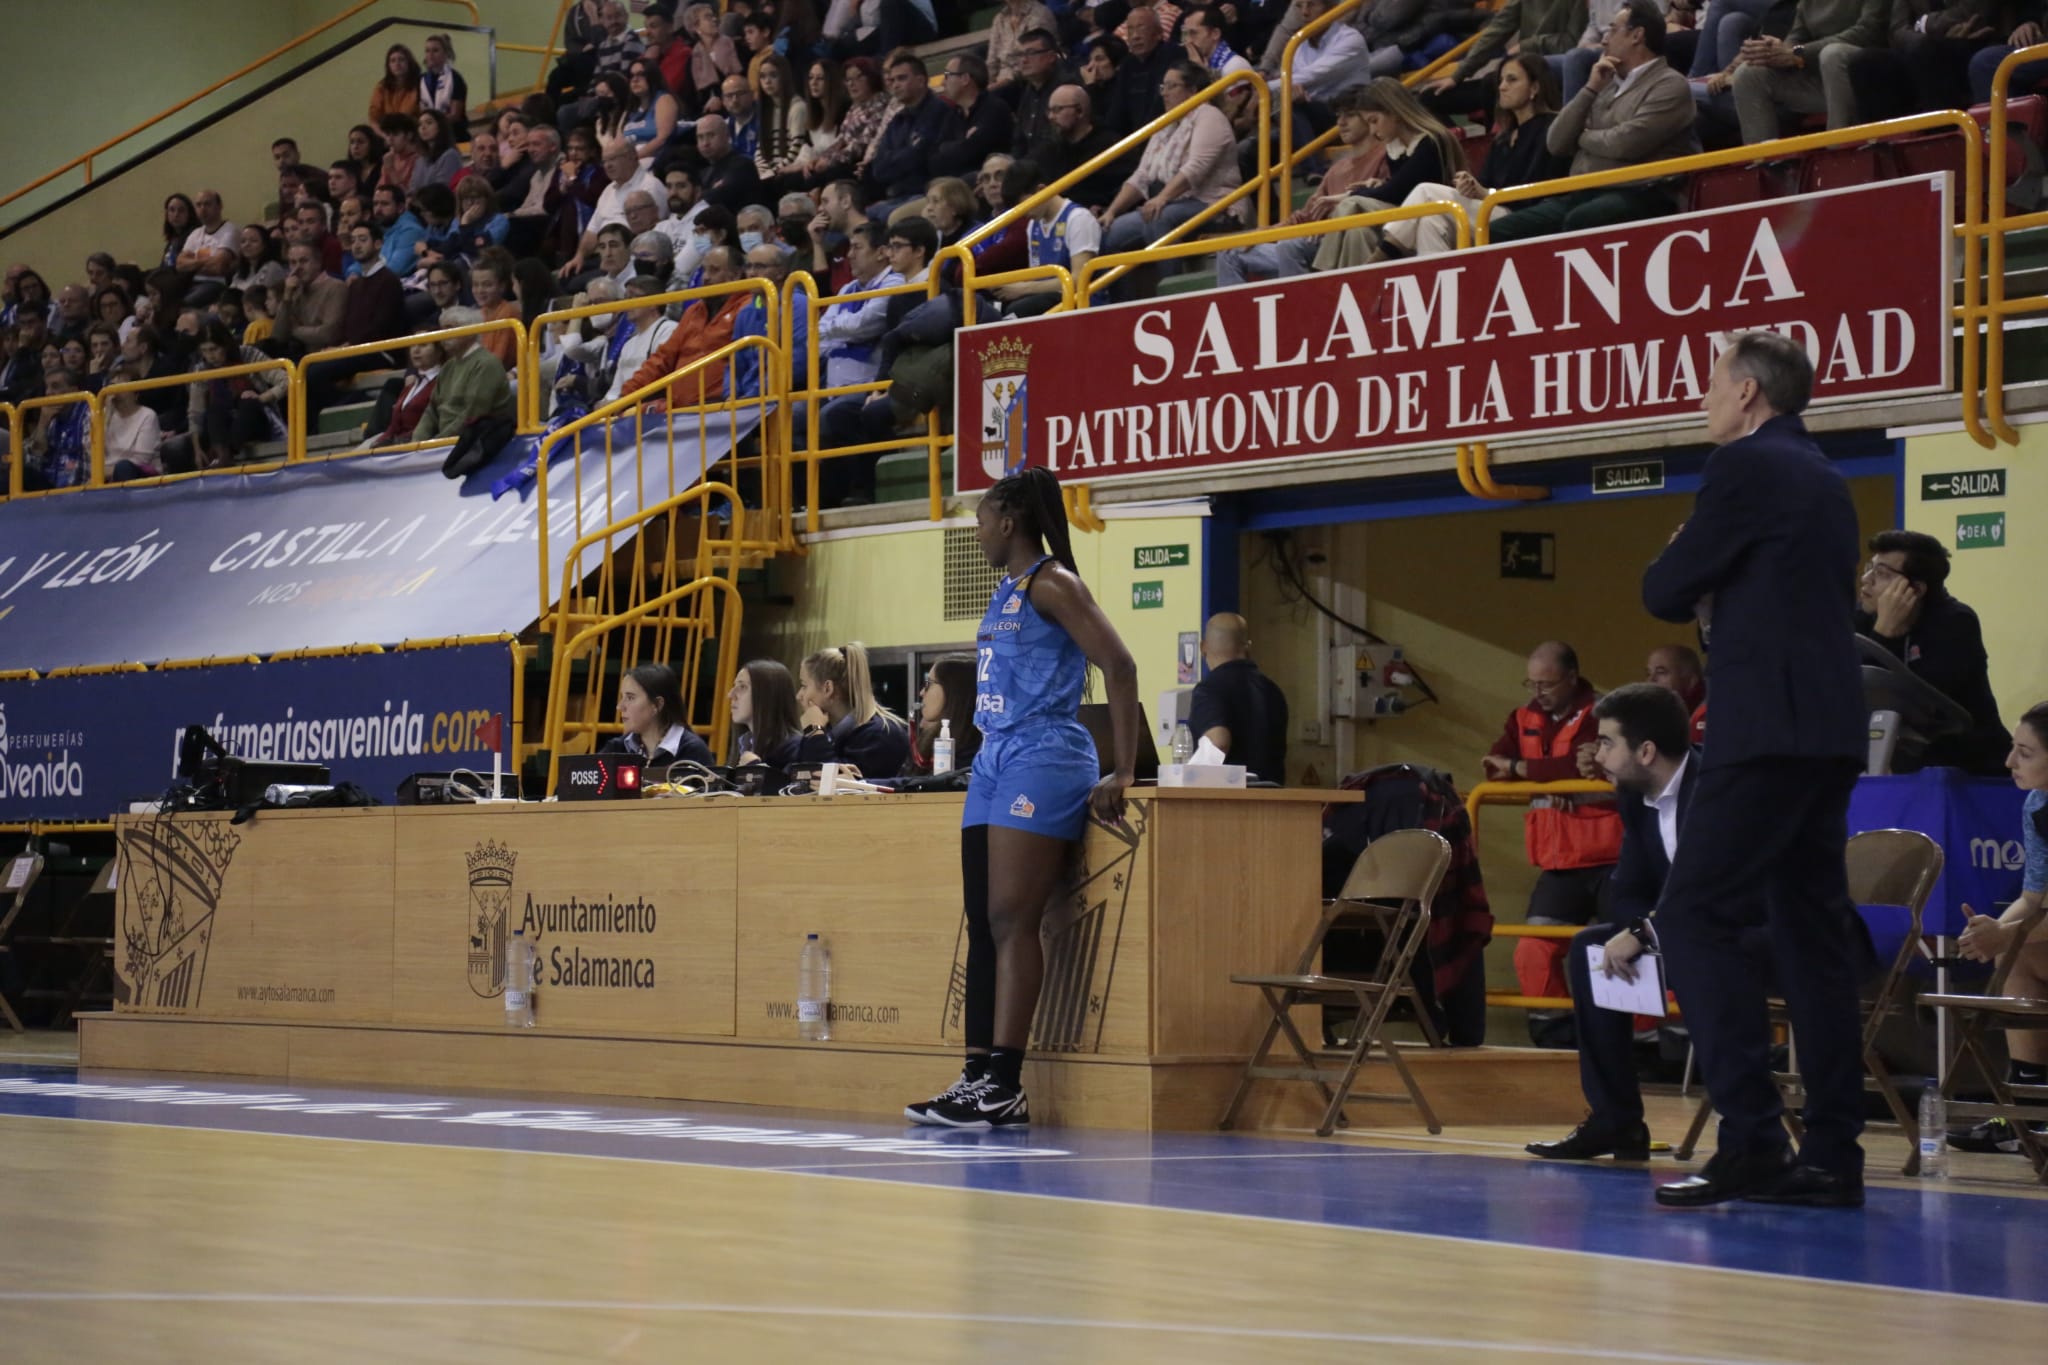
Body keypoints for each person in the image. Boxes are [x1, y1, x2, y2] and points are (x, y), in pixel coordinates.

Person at [1641, 329, 1871, 1210]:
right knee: (1812, 938)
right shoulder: (1824, 475)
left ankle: (1749, 1136)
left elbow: (1662, 588)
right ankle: (1833, 1154)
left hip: (1763, 728)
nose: (1702, 398)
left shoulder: (1745, 467)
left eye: (1710, 383)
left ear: (1746, 393)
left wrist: (1690, 563)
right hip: (1827, 728)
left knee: (1693, 915)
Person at [905, 467, 1140, 1129]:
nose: (976, 531)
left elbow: (1120, 665)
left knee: (1013, 917)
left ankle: (1006, 1081)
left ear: (1007, 520)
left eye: (979, 520)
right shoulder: (1006, 590)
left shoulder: (1054, 583)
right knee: (983, 921)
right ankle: (976, 1073)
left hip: (1045, 751)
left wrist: (1123, 768)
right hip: (996, 754)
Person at [1526, 683, 1700, 1162]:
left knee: (1684, 948)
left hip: (1734, 931)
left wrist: (1646, 933)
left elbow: (1711, 888)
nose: (1594, 751)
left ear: (1645, 751)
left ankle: (1748, 1132)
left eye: (1605, 742)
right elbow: (1628, 886)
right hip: (1678, 930)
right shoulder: (1633, 793)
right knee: (1590, 948)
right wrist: (1638, 929)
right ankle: (1615, 1121)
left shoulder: (1714, 790)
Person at [1483, 640, 1623, 1043]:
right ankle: (1554, 1036)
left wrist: (1528, 769)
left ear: (1572, 678)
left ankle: (1640, 1046)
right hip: (1558, 861)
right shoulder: (1522, 716)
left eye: (1547, 684)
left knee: (1622, 952)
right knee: (1533, 951)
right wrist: (1546, 774)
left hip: (1611, 856)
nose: (1537, 693)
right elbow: (1494, 765)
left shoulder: (1605, 713)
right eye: (1531, 683)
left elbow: (1582, 766)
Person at [1491, 0, 1701, 243]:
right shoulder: (1603, 83)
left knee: (1580, 220)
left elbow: (1625, 143)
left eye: (1612, 30)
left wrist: (1581, 136)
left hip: (1643, 191)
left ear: (1637, 35)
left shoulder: (1669, 85)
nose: (1604, 39)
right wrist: (1590, 88)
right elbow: (1556, 142)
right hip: (1586, 191)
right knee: (1497, 230)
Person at [1949, 702, 2048, 1153]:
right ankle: (2028, 1109)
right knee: (2014, 953)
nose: (2009, 762)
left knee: (2017, 947)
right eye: (2012, 748)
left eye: (2024, 752)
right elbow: (2033, 898)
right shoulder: (2036, 804)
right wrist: (1986, 933)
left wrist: (2007, 936)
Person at [1854, 529, 2008, 775]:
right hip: (1893, 762)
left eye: (1881, 573)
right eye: (1868, 568)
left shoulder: (1956, 622)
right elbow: (1851, 693)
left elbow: (1922, 708)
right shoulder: (1862, 619)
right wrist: (1882, 633)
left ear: (1915, 588)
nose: (1866, 579)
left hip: (1968, 767)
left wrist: (1886, 636)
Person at [1384, 54, 1569, 257]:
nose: (1502, 87)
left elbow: (1533, 191)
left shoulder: (1553, 127)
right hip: (1492, 208)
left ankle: (1385, 252)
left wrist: (1485, 193)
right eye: (1501, 81)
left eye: (1512, 79)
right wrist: (1470, 186)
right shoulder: (1503, 138)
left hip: (1522, 213)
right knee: (1430, 222)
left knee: (1426, 191)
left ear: (1534, 88)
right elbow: (1486, 182)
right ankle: (1440, 286)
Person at [1097, 61, 1240, 263]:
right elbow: (1142, 176)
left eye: (1172, 86)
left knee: (1158, 216)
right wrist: (1111, 212)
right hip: (1174, 203)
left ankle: (1169, 288)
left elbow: (1196, 167)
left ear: (1192, 90)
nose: (1164, 93)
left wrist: (1162, 198)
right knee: (1106, 233)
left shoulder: (1209, 115)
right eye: (1163, 87)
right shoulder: (1166, 123)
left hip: (1214, 203)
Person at [1730, 0, 1886, 144]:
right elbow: (1797, 36)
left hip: (1865, 76)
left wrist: (1798, 54)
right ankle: (1764, 162)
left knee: (1832, 54)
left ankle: (1840, 151)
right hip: (1820, 80)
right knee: (1748, 73)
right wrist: (1778, 51)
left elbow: (1868, 31)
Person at [1189, 612, 1289, 782]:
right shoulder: (1273, 690)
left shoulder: (1209, 688)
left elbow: (1218, 741)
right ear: (1248, 646)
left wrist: (1188, 778)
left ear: (1203, 647)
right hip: (1274, 799)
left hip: (1230, 802)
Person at [997, 157, 1098, 319]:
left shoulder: (1078, 219)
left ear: (1042, 190)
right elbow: (1037, 276)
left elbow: (1079, 280)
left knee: (1018, 310)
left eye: (1026, 206)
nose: (1024, 214)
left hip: (1082, 302)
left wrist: (1024, 289)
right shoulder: (1033, 226)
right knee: (997, 308)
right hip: (1049, 299)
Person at [793, 642, 913, 775]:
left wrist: (814, 732)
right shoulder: (828, 732)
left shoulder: (880, 735)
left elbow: (831, 785)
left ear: (828, 688)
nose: (799, 696)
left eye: (804, 686)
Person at [414, 306, 516, 442]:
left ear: (471, 332)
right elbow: (431, 410)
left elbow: (473, 415)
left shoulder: (486, 364)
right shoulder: (448, 367)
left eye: (450, 328)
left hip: (475, 442)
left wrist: (436, 442)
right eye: (442, 329)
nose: (443, 335)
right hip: (446, 442)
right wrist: (417, 442)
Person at [601, 663, 717, 770]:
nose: (620, 706)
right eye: (622, 697)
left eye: (630, 698)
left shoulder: (691, 752)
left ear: (657, 704)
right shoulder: (616, 749)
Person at [903, 655, 984, 776]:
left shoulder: (979, 751)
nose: (922, 693)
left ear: (953, 690)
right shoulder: (927, 741)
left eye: (928, 684)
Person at [729, 659, 808, 769]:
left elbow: (788, 786)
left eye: (742, 687)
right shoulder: (745, 743)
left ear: (767, 695)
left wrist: (756, 770)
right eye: (734, 686)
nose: (731, 695)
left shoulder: (795, 749)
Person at [176, 189, 239, 306]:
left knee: (182, 305)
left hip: (215, 284)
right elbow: (179, 264)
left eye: (207, 204)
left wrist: (192, 264)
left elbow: (218, 267)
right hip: (191, 281)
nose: (202, 209)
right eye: (198, 205)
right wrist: (207, 261)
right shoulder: (196, 233)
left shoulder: (230, 230)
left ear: (219, 206)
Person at [103, 364, 166, 481]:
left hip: (139, 474)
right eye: (112, 386)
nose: (116, 391)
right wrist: (106, 418)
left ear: (136, 394)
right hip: (106, 475)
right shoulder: (104, 415)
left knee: (124, 468)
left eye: (122, 386)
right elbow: (91, 451)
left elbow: (141, 460)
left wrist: (103, 472)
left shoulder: (147, 415)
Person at [1646, 641, 1709, 745]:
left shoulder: (1706, 716)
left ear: (1691, 680)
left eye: (1661, 672)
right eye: (1648, 673)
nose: (1651, 680)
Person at [371, 43, 424, 123]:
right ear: (388, 65)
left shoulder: (420, 84)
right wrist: (386, 135)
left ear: (409, 62)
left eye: (401, 59)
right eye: (393, 61)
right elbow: (374, 118)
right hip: (387, 133)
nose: (397, 64)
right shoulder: (382, 86)